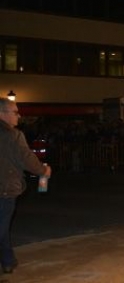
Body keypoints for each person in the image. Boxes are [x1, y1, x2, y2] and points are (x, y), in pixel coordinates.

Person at [0, 98, 52, 274]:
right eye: (15, 112)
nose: (19, 115)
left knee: (3, 226)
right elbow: (27, 159)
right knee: (1, 226)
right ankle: (7, 261)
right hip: (5, 189)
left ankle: (8, 260)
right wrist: (43, 170)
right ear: (2, 114)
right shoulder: (13, 135)